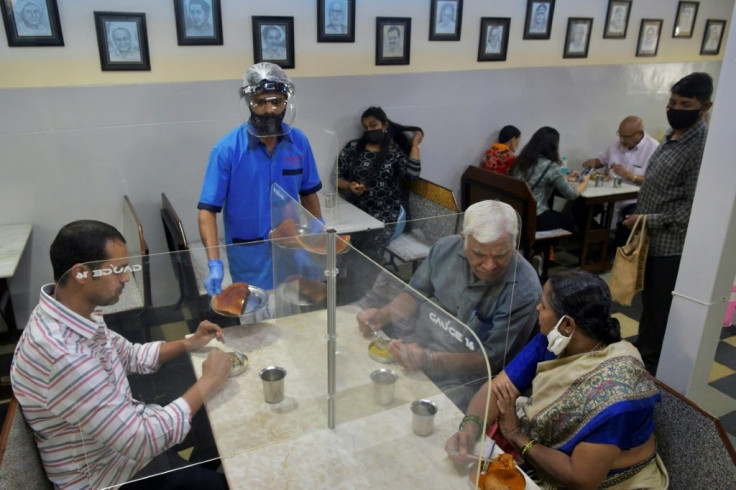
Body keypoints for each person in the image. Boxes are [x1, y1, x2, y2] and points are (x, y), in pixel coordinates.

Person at [10, 220, 231, 489]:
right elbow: (140, 440)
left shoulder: (72, 311)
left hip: (122, 445)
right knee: (222, 476)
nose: (127, 277)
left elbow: (129, 355)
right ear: (81, 273)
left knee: (216, 415)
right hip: (110, 477)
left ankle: (197, 470)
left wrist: (189, 344)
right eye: (118, 270)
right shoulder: (63, 355)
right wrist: (209, 380)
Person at [446, 270, 668, 489]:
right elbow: (496, 391)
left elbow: (581, 478)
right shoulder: (552, 342)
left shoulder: (616, 395)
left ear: (567, 324)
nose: (537, 308)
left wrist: (515, 435)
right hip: (551, 459)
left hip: (612, 481)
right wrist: (469, 429)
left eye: (543, 306)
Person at [356, 200, 542, 410]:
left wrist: (430, 360)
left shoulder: (524, 288)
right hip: (419, 346)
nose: (490, 266)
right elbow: (415, 294)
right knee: (366, 388)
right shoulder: (445, 249)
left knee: (414, 412)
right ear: (464, 239)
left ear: (514, 245)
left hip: (468, 381)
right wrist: (383, 315)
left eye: (501, 255)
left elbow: (491, 362)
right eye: (479, 254)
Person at [198, 62, 323, 294]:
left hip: (292, 251)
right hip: (250, 257)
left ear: (286, 101)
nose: (269, 109)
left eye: (276, 101)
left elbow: (308, 193)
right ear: (249, 103)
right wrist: (214, 262)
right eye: (260, 102)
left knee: (297, 319)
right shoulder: (227, 150)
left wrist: (317, 230)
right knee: (257, 325)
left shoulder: (299, 143)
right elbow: (207, 211)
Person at [622, 72, 713, 374]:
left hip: (670, 245)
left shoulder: (701, 147)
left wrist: (647, 219)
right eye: (672, 102)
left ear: (705, 107)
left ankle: (650, 368)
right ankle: (644, 350)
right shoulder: (671, 136)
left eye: (685, 103)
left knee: (661, 307)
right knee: (648, 303)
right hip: (649, 240)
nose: (675, 108)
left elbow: (692, 208)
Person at [337, 106, 422, 260]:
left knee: (369, 252)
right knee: (346, 248)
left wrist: (415, 145)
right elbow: (336, 178)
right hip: (357, 212)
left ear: (385, 125)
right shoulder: (353, 148)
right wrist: (349, 186)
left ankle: (368, 280)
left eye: (373, 125)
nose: (369, 130)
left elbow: (412, 175)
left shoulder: (394, 153)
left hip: (386, 215)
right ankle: (347, 280)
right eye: (366, 127)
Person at [583, 116, 659, 247]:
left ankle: (617, 251)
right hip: (608, 195)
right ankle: (598, 243)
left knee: (629, 219)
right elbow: (601, 160)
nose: (622, 140)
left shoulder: (654, 148)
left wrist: (628, 175)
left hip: (635, 199)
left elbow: (655, 182)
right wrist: (590, 163)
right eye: (620, 135)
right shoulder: (616, 144)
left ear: (639, 134)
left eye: (626, 137)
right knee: (580, 207)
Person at [510, 126, 590, 233]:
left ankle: (543, 247)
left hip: (516, 213)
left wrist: (566, 176)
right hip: (534, 217)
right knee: (568, 220)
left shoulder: (522, 159)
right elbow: (572, 194)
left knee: (554, 213)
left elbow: (537, 176)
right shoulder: (551, 166)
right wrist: (585, 181)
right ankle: (545, 246)